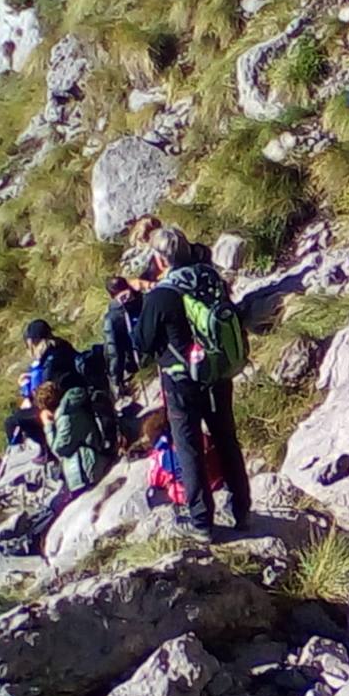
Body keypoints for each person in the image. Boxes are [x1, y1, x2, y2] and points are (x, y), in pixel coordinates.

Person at [131, 226, 251, 542]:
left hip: (181, 379)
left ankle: (201, 521)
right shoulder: (209, 278)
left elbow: (142, 342)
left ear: (159, 259)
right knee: (226, 436)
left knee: (189, 445)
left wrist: (135, 307)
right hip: (218, 371)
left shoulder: (161, 294)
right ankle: (242, 509)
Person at [3, 320, 82, 453]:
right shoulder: (62, 347)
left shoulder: (48, 362)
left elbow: (46, 397)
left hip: (58, 407)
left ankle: (44, 451)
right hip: (77, 397)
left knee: (13, 420)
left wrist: (26, 393)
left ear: (32, 343)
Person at [34, 380, 113, 496]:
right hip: (96, 454)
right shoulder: (74, 403)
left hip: (90, 469)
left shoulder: (65, 418)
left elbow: (59, 450)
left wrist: (48, 426)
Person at [142, 408, 223, 507]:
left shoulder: (161, 459)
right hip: (218, 473)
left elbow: (154, 481)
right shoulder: (199, 435)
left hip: (196, 490)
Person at [103, 277, 143, 399]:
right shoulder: (144, 298)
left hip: (136, 364)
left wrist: (116, 380)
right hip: (158, 353)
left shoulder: (111, 318)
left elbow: (114, 352)